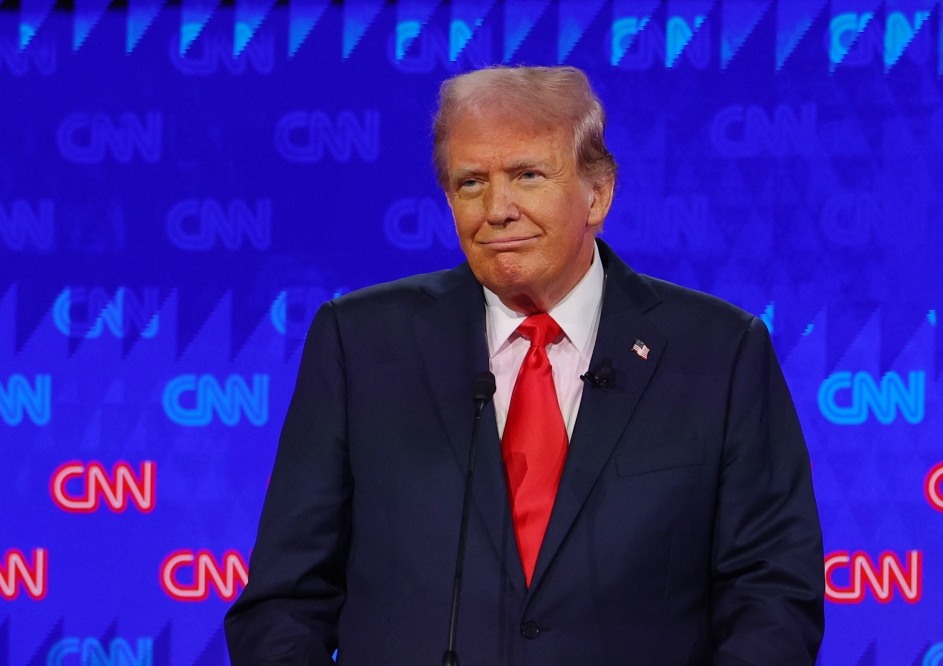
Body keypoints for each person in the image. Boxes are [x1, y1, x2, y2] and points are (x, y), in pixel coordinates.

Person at [225, 65, 824, 665]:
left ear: (598, 193)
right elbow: (284, 601)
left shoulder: (719, 351)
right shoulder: (360, 344)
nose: (497, 209)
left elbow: (772, 596)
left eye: (527, 175)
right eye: (469, 183)